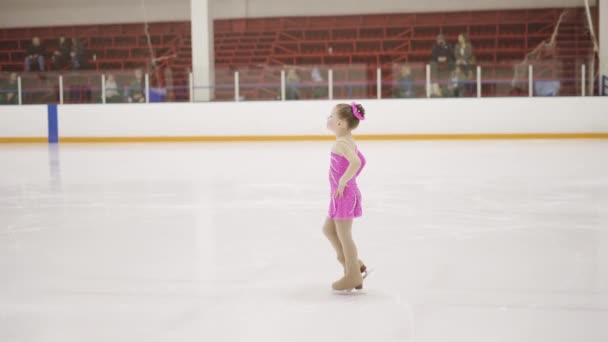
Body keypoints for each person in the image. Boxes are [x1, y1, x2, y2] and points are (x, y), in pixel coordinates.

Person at [323, 102, 369, 292]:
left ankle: (352, 274)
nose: (328, 119)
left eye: (331, 116)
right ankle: (353, 264)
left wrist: (344, 182)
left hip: (343, 195)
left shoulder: (341, 143)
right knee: (328, 229)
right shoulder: (348, 139)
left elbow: (357, 162)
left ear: (341, 123)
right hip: (340, 196)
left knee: (344, 235)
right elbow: (363, 161)